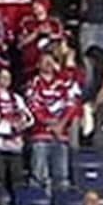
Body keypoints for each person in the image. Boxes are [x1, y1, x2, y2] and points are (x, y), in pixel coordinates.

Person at [27, 53, 80, 190]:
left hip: (61, 136)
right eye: (45, 61)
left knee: (61, 178)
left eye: (51, 61)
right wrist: (51, 123)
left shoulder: (65, 82)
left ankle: (61, 202)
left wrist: (61, 124)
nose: (49, 64)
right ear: (38, 65)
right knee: (38, 177)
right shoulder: (33, 83)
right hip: (40, 136)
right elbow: (34, 107)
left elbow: (72, 104)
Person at [0, 67, 34, 191]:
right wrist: (10, 126)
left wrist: (21, 124)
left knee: (18, 183)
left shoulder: (17, 98)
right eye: (3, 77)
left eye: (9, 78)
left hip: (15, 146)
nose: (6, 80)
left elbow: (29, 119)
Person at [18, 0, 65, 73]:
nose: (35, 6)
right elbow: (20, 44)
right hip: (31, 63)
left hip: (51, 61)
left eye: (38, 4)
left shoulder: (54, 23)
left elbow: (62, 40)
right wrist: (36, 33)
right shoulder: (27, 22)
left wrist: (50, 34)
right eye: (34, 4)